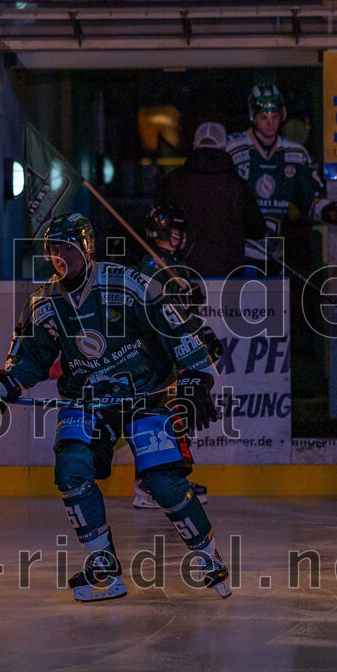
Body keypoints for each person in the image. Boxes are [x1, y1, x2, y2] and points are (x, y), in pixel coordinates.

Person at [0, 213, 230, 601]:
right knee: (71, 469)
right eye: (53, 249)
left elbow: (176, 331)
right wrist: (6, 383)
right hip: (86, 400)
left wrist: (196, 377)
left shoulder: (127, 284)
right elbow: (30, 359)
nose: (60, 256)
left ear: (87, 248)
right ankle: (102, 564)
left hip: (146, 395)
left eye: (68, 247)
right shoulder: (43, 303)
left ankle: (208, 557)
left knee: (163, 482)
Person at [133, 202, 224, 509]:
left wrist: (200, 331)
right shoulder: (151, 266)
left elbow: (181, 315)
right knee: (160, 417)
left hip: (171, 352)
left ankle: (166, 478)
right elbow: (156, 311)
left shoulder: (173, 265)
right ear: (158, 232)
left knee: (176, 415)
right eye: (174, 231)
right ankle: (149, 483)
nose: (180, 237)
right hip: (156, 354)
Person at [226, 84, 337, 272]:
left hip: (275, 253)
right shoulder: (233, 148)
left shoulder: (295, 153)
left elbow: (309, 199)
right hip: (239, 252)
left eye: (275, 116)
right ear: (253, 116)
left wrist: (333, 211)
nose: (270, 123)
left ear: (283, 115)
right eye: (264, 117)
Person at [155, 121, 267, 279]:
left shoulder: (173, 182)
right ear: (224, 149)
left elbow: (158, 226)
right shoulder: (237, 186)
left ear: (194, 147)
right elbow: (258, 230)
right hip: (228, 278)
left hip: (184, 277)